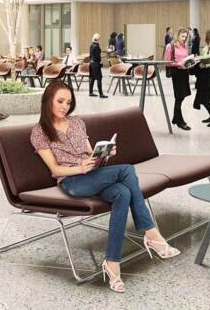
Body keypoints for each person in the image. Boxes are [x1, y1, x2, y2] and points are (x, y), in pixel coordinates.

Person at [30, 82, 179, 292]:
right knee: (127, 169)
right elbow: (55, 169)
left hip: (93, 174)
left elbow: (91, 155)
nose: (65, 106)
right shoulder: (39, 132)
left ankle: (112, 264)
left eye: (68, 102)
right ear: (48, 101)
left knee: (123, 192)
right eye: (60, 101)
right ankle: (152, 234)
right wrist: (80, 169)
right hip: (73, 181)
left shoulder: (77, 123)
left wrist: (104, 155)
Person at [164, 28, 197, 131]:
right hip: (176, 73)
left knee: (181, 97)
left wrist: (190, 62)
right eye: (182, 36)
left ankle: (175, 119)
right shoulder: (170, 46)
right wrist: (179, 63)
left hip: (184, 72)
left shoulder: (184, 46)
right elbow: (167, 62)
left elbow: (185, 59)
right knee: (179, 97)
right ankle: (180, 121)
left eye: (185, 37)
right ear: (177, 35)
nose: (184, 38)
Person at [89, 33, 107, 98]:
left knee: (92, 78)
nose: (99, 40)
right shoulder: (96, 46)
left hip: (91, 63)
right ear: (98, 39)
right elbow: (97, 56)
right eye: (99, 39)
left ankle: (90, 92)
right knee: (99, 78)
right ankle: (101, 94)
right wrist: (101, 62)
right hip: (96, 64)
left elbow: (91, 55)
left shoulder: (91, 45)